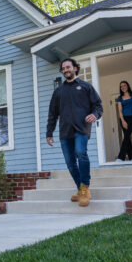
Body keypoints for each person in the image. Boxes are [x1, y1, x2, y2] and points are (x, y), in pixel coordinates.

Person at [46, 58, 103, 207]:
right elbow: (53, 114)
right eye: (63, 68)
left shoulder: (85, 87)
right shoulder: (58, 91)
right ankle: (80, 190)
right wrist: (49, 132)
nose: (65, 70)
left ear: (75, 68)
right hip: (65, 131)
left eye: (68, 67)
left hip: (81, 128)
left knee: (81, 153)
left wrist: (95, 115)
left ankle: (85, 187)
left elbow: (98, 105)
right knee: (70, 163)